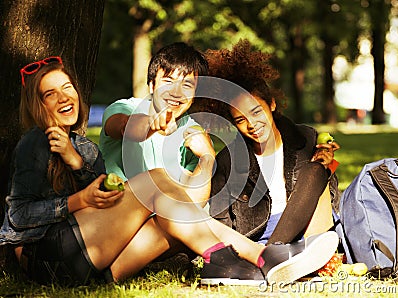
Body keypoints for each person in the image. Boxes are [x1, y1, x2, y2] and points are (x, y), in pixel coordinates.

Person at [0, 56, 339, 286]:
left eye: (67, 87)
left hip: (93, 264)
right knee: (157, 181)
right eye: (50, 93)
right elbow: (18, 215)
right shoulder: (35, 143)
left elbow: (100, 209)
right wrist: (78, 199)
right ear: (37, 104)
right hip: (43, 258)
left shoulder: (82, 147)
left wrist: (78, 164)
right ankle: (254, 255)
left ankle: (236, 265)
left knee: (170, 219)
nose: (64, 96)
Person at [204, 40, 341, 247]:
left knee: (315, 170)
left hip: (305, 229)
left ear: (272, 104)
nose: (252, 124)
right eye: (241, 120)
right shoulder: (227, 161)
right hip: (255, 241)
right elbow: (220, 221)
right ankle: (272, 255)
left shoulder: (305, 138)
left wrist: (327, 165)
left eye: (256, 112)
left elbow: (327, 196)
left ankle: (274, 253)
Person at [99, 42, 213, 189]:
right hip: (117, 203)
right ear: (152, 85)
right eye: (168, 81)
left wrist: (208, 156)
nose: (176, 92)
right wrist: (150, 123)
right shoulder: (126, 108)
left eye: (187, 85)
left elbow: (192, 196)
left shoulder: (192, 131)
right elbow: (124, 125)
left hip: (164, 209)